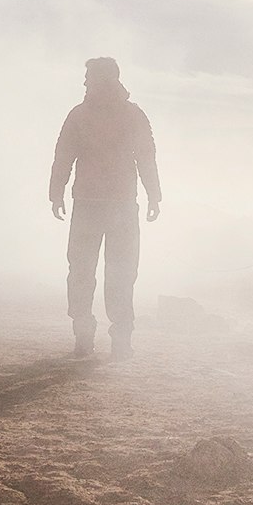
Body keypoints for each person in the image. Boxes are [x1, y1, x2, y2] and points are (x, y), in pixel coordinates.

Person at [49, 56, 161, 359]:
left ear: (104, 79)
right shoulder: (112, 115)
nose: (85, 83)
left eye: (89, 78)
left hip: (104, 205)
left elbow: (145, 155)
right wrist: (153, 195)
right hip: (108, 204)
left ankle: (102, 338)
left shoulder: (87, 115)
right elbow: (64, 155)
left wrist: (154, 194)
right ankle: (104, 338)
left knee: (98, 271)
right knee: (106, 272)